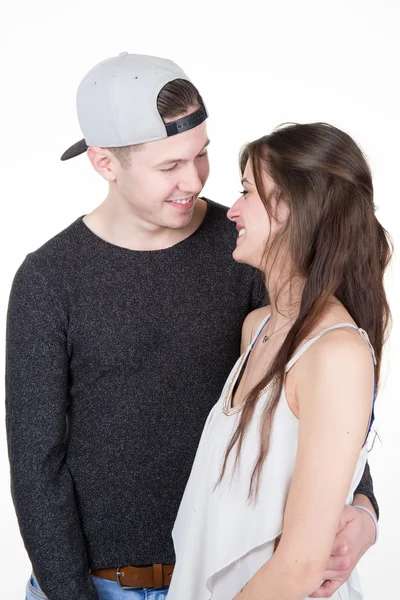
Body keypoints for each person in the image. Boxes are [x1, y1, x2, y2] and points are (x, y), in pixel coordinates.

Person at [5, 54, 378, 600]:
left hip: (230, 583)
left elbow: (317, 388)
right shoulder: (49, 280)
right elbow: (37, 468)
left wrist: (363, 506)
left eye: (202, 154)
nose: (194, 179)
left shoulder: (250, 247)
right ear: (105, 162)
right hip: (97, 587)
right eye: (168, 166)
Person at [168, 122, 391, 600]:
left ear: (293, 207)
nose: (233, 210)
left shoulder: (336, 354)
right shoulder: (258, 329)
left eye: (247, 190)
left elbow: (301, 565)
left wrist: (367, 516)